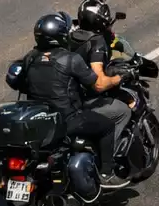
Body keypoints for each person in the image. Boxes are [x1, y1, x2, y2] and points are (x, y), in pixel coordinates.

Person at [13, 13, 128, 189]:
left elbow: (20, 83)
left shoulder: (30, 57)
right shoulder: (71, 59)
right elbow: (97, 85)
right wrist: (117, 79)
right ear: (61, 35)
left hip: (40, 120)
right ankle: (107, 174)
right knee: (107, 126)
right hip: (68, 119)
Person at [71, 0, 132, 183]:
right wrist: (118, 78)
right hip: (85, 101)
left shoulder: (71, 36)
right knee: (122, 112)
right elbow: (98, 82)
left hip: (68, 97)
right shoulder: (96, 42)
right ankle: (107, 166)